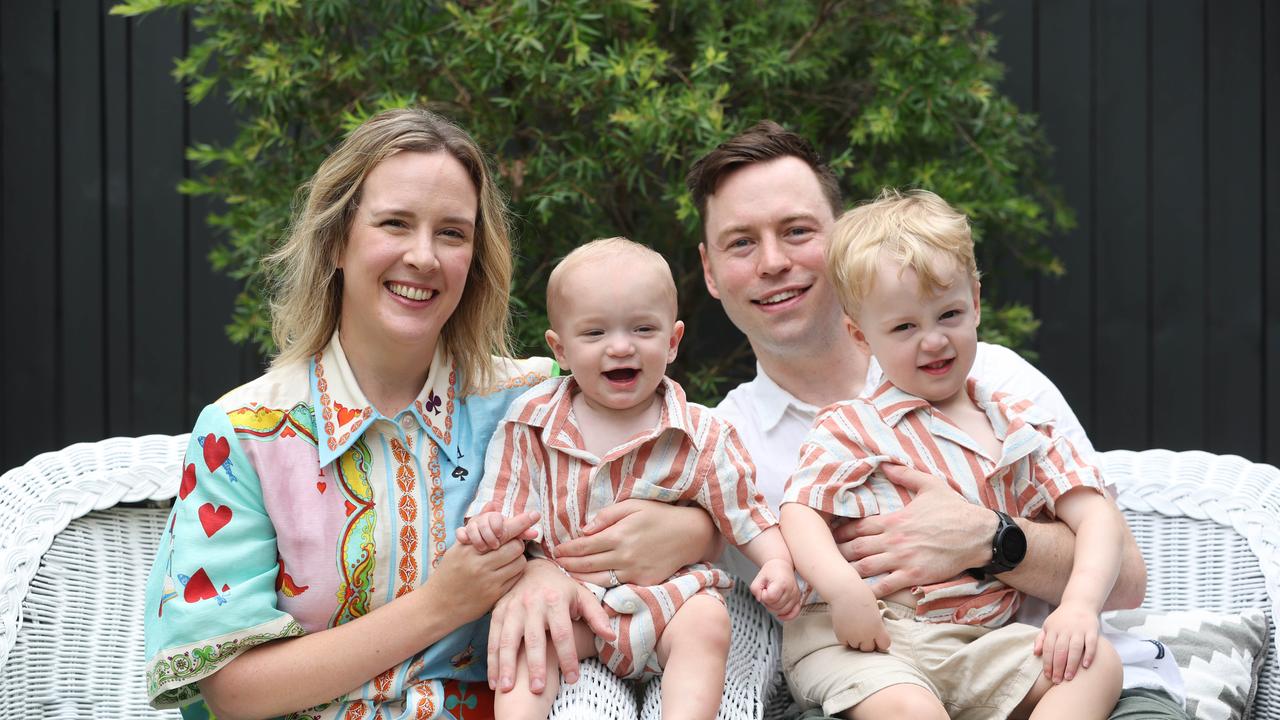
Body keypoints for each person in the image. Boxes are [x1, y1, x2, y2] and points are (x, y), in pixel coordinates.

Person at [688, 121, 1188, 719]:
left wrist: (989, 537)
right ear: (710, 270)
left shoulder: (1001, 387)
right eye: (741, 242)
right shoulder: (718, 440)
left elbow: (1126, 578)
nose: (773, 262)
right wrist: (683, 534)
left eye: (797, 231)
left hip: (1030, 662)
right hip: (876, 666)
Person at [142, 107, 614, 719]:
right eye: (395, 223)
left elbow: (687, 465)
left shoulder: (537, 400)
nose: (423, 256)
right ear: (337, 239)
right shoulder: (247, 432)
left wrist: (675, 535)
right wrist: (443, 603)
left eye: (452, 233)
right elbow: (232, 690)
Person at [778, 188, 1124, 719]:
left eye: (949, 314)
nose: (933, 340)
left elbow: (1097, 516)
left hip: (972, 643)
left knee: (1097, 664)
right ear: (860, 335)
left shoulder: (1020, 426)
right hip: (866, 636)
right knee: (911, 709)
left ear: (977, 304)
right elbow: (799, 512)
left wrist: (1079, 605)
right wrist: (843, 589)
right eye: (904, 327)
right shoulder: (853, 425)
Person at [461, 238, 800, 719]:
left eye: (643, 328)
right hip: (572, 598)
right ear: (560, 348)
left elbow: (745, 512)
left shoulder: (700, 432)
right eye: (595, 333)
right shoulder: (531, 421)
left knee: (707, 622)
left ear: (673, 341)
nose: (621, 346)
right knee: (527, 634)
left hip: (667, 601)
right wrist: (490, 525)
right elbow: (503, 497)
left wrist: (777, 564)